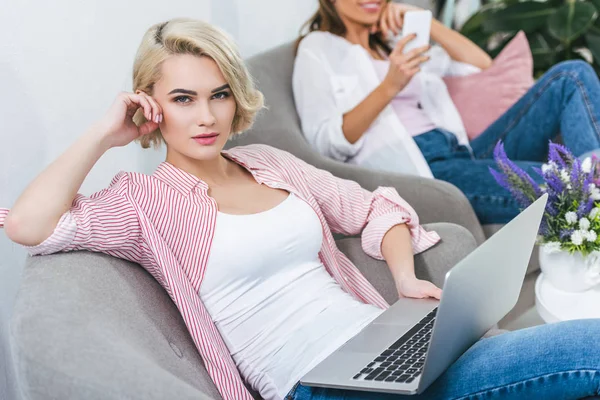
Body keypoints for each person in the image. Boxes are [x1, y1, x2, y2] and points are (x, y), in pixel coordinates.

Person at [1, 17, 599, 400]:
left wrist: (404, 278)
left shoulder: (269, 162)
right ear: (150, 108)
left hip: (380, 347)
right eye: (183, 99)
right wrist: (105, 135)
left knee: (573, 352)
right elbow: (29, 225)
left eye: (218, 96)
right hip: (316, 384)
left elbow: (373, 208)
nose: (206, 117)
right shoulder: (142, 204)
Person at [293, 0, 600, 225]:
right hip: (427, 172)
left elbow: (480, 67)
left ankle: (596, 172)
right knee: (569, 187)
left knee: (570, 76)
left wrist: (427, 23)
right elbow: (325, 142)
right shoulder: (316, 49)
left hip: (463, 152)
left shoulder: (394, 42)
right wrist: (390, 85)